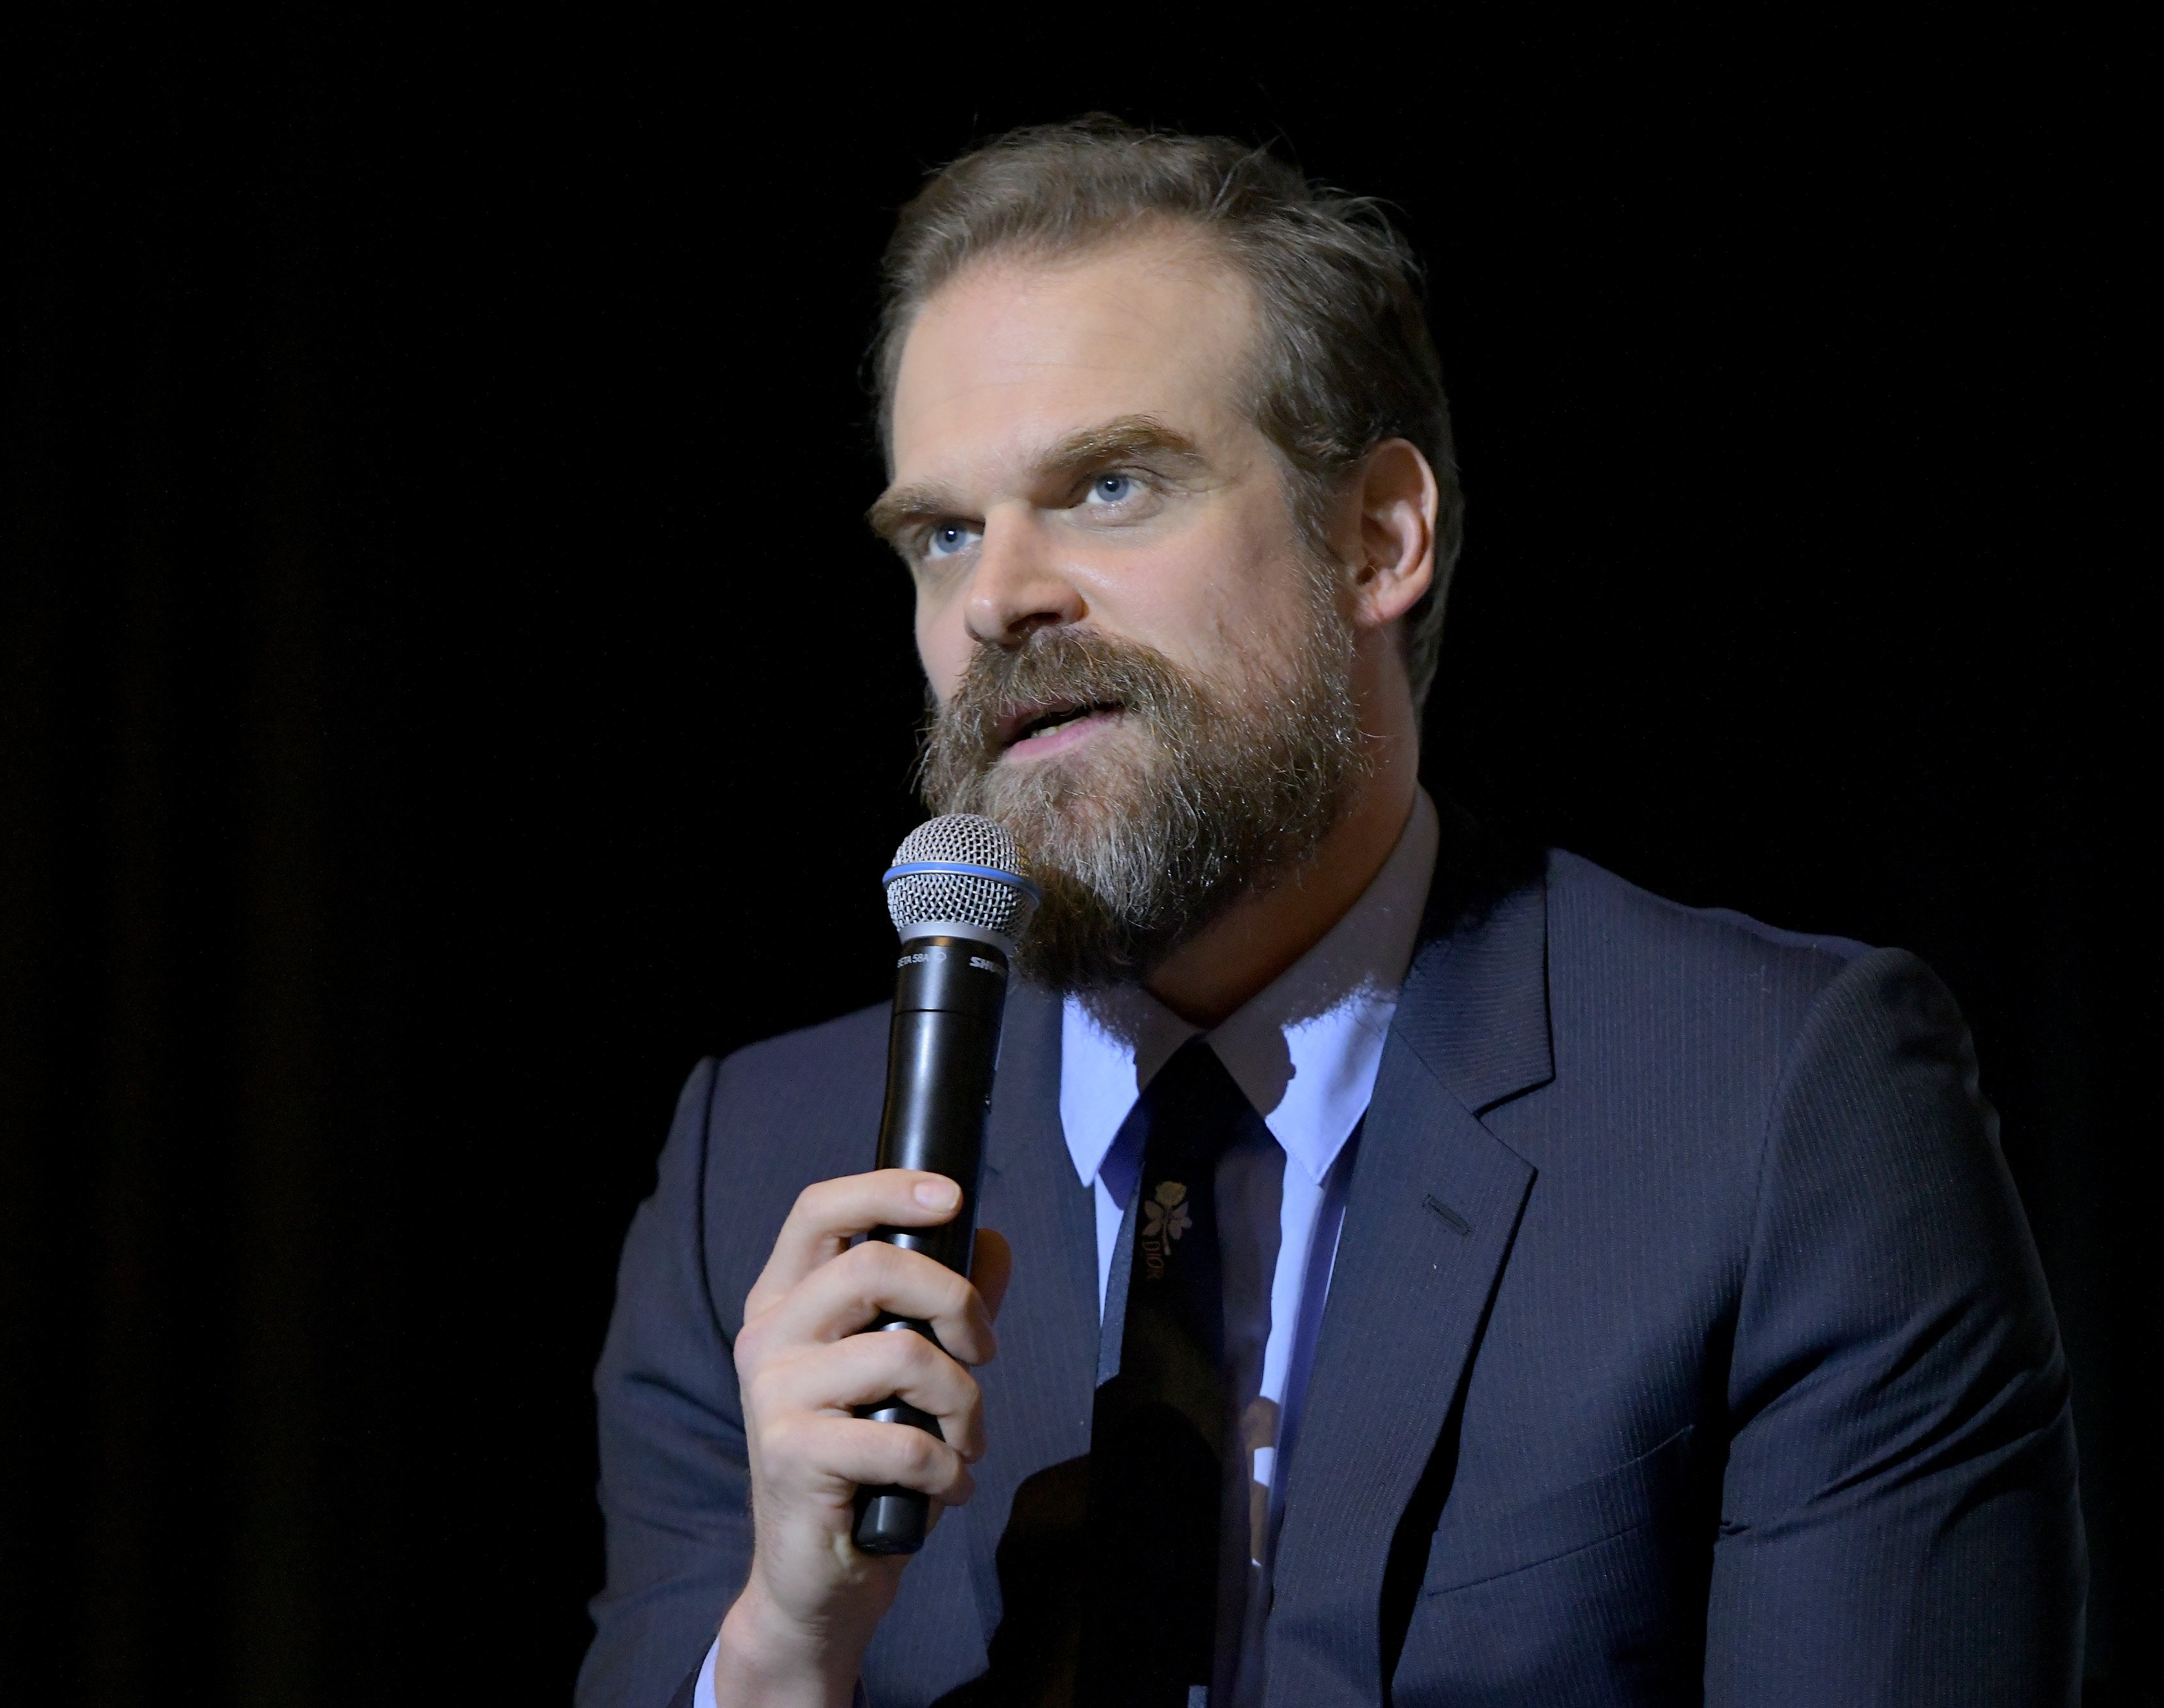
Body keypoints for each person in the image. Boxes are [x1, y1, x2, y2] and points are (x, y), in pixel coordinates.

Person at [579, 119, 2085, 1708]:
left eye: (1107, 484)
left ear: (1377, 536)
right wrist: (783, 1649)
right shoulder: (755, 1169)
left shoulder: (1776, 1107)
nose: (994, 596)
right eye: (942, 531)